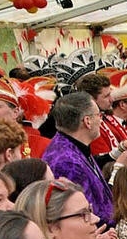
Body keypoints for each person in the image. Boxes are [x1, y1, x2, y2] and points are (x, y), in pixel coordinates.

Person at [42, 91, 115, 226]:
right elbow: (87, 214)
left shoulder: (71, 146)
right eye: (99, 115)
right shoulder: (66, 162)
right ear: (87, 121)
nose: (101, 120)